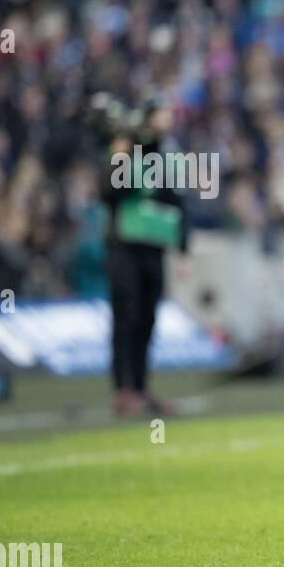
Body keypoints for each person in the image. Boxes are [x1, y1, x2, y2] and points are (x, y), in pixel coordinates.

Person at [101, 102, 189, 418]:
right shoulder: (124, 152)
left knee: (148, 321)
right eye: (161, 115)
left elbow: (176, 201)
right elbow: (109, 193)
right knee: (127, 318)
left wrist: (182, 246)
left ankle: (139, 387)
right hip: (125, 248)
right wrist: (120, 158)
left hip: (153, 248)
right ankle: (122, 390)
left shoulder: (165, 156)